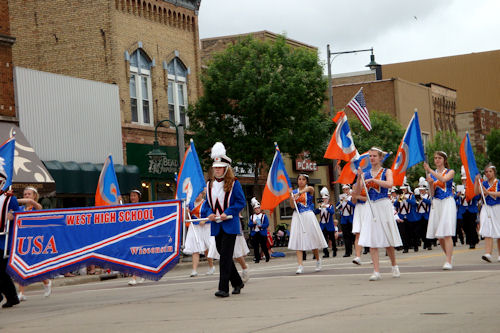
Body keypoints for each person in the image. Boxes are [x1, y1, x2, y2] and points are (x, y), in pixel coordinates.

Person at [202, 142, 246, 298]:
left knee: (225, 256)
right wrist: (210, 214)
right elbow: (206, 205)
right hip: (216, 225)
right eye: (215, 167)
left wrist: (227, 212)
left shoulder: (234, 184)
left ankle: (223, 288)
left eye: (220, 167)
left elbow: (241, 202)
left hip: (230, 224)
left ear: (226, 168)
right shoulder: (209, 185)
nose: (217, 169)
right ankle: (237, 282)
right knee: (223, 255)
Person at [355, 147, 402, 281]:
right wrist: (359, 178)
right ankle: (376, 271)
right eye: (370, 156)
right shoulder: (365, 174)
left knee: (388, 239)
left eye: (374, 156)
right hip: (371, 207)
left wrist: (374, 181)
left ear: (380, 158)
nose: (372, 158)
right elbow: (358, 192)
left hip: (383, 204)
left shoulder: (386, 171)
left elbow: (389, 184)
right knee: (372, 239)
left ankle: (394, 265)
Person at [288, 174, 327, 274]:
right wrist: (291, 198)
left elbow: (310, 189)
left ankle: (318, 260)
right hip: (298, 216)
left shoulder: (309, 189)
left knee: (312, 238)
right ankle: (300, 265)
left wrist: (299, 193)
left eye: (303, 179)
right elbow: (292, 206)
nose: (301, 181)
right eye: (299, 179)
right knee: (298, 240)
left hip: (308, 215)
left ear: (306, 181)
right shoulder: (294, 192)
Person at [17, 186, 52, 300]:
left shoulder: (37, 207)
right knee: (20, 267)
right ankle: (21, 293)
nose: (26, 196)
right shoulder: (20, 209)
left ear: (34, 196)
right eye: (25, 194)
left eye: (29, 194)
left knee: (35, 267)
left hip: (35, 241)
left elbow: (33, 204)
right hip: (22, 241)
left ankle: (46, 282)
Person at [424, 151, 456, 270]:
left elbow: (443, 179)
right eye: (435, 158)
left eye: (439, 158)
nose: (437, 160)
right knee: (439, 235)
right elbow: (431, 194)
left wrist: (430, 170)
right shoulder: (431, 175)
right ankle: (449, 256)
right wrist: (431, 184)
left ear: (444, 160)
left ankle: (448, 261)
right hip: (437, 203)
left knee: (447, 233)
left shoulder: (450, 171)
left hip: (447, 201)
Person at [183, 190, 216, 277]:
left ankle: (211, 266)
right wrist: (186, 212)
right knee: (195, 248)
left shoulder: (206, 203)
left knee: (207, 248)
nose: (197, 195)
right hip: (194, 227)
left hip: (206, 227)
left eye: (199, 193)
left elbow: (210, 214)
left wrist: (205, 220)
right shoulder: (189, 204)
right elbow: (186, 217)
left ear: (202, 194)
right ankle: (194, 270)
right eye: (195, 194)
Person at [0, 184, 21, 308]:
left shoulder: (9, 198)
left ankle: (12, 297)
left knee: (1, 271)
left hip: (4, 240)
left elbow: (19, 215)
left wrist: (13, 216)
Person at [475, 164, 500, 262]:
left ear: (494, 172)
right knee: (486, 229)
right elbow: (477, 192)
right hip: (486, 207)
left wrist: (489, 193)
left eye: (490, 171)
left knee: (498, 230)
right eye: (486, 172)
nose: (488, 173)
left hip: (497, 207)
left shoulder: (498, 182)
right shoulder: (483, 183)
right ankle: (488, 253)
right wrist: (477, 181)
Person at [127, 189, 147, 285]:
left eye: (134, 195)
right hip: (131, 235)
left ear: (139, 197)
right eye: (131, 196)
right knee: (134, 256)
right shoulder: (127, 208)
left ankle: (134, 277)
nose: (132, 198)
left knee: (137, 255)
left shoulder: (143, 208)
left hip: (140, 235)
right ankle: (142, 274)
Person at [315, 187, 337, 258]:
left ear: (328, 199)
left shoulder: (330, 206)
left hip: (329, 226)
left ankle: (334, 250)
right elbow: (315, 212)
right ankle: (326, 253)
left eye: (326, 198)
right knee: (324, 240)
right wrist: (319, 207)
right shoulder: (320, 206)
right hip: (323, 226)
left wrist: (326, 208)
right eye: (323, 198)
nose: (324, 200)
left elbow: (332, 212)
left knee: (332, 239)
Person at [249, 198, 270, 263]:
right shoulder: (252, 216)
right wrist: (253, 223)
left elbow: (267, 224)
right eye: (256, 208)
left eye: (258, 208)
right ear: (254, 210)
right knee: (255, 247)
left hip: (262, 233)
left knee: (264, 246)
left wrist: (262, 226)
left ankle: (267, 257)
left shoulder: (264, 216)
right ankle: (257, 258)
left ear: (260, 209)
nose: (257, 209)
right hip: (255, 233)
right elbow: (249, 225)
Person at [335, 185, 354, 257]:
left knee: (353, 235)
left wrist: (347, 201)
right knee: (345, 236)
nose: (346, 191)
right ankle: (347, 251)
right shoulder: (341, 199)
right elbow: (338, 207)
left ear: (349, 190)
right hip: (344, 219)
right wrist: (341, 201)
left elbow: (354, 205)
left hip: (351, 217)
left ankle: (356, 249)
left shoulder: (352, 197)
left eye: (347, 189)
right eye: (344, 190)